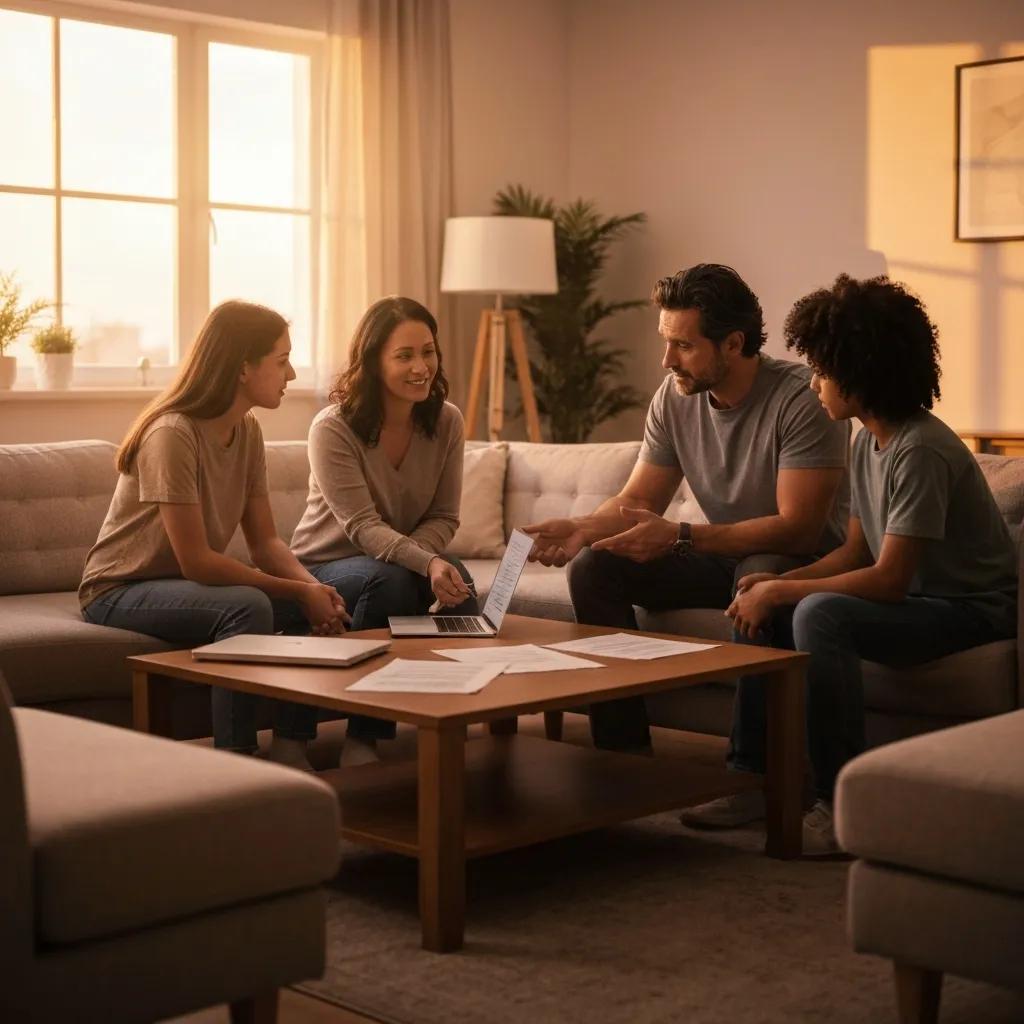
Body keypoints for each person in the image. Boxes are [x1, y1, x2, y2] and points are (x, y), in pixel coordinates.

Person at [688, 274, 1018, 854]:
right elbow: (855, 552)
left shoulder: (919, 449)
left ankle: (841, 807)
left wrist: (790, 594)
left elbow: (889, 579)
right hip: (921, 601)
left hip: (971, 609)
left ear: (861, 370)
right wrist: (776, 582)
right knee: (774, 603)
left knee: (820, 615)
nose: (814, 381)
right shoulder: (867, 440)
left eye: (823, 368)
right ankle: (751, 778)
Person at [525, 264, 850, 753]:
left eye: (684, 345)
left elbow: (798, 530)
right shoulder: (675, 398)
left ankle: (752, 774)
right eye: (666, 341)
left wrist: (680, 535)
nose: (666, 360)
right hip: (721, 551)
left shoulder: (801, 399)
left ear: (734, 344)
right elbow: (638, 501)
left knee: (759, 573)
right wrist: (582, 527)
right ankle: (623, 755)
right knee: (595, 568)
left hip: (802, 561)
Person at [80, 301, 348, 770]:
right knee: (250, 605)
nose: (290, 375)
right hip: (119, 588)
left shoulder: (247, 432)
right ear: (244, 367)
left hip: (183, 587)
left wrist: (314, 589)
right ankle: (236, 762)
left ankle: (291, 745)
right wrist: (299, 591)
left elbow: (266, 543)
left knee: (317, 602)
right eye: (281, 361)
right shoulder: (173, 433)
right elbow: (197, 562)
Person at [290, 296, 477, 765]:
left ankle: (453, 726)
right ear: (372, 361)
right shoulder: (331, 428)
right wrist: (426, 562)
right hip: (326, 564)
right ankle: (364, 737)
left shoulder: (447, 420)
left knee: (460, 583)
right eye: (404, 355)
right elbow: (361, 526)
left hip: (397, 558)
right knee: (393, 578)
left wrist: (433, 564)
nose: (421, 367)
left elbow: (445, 516)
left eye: (428, 352)